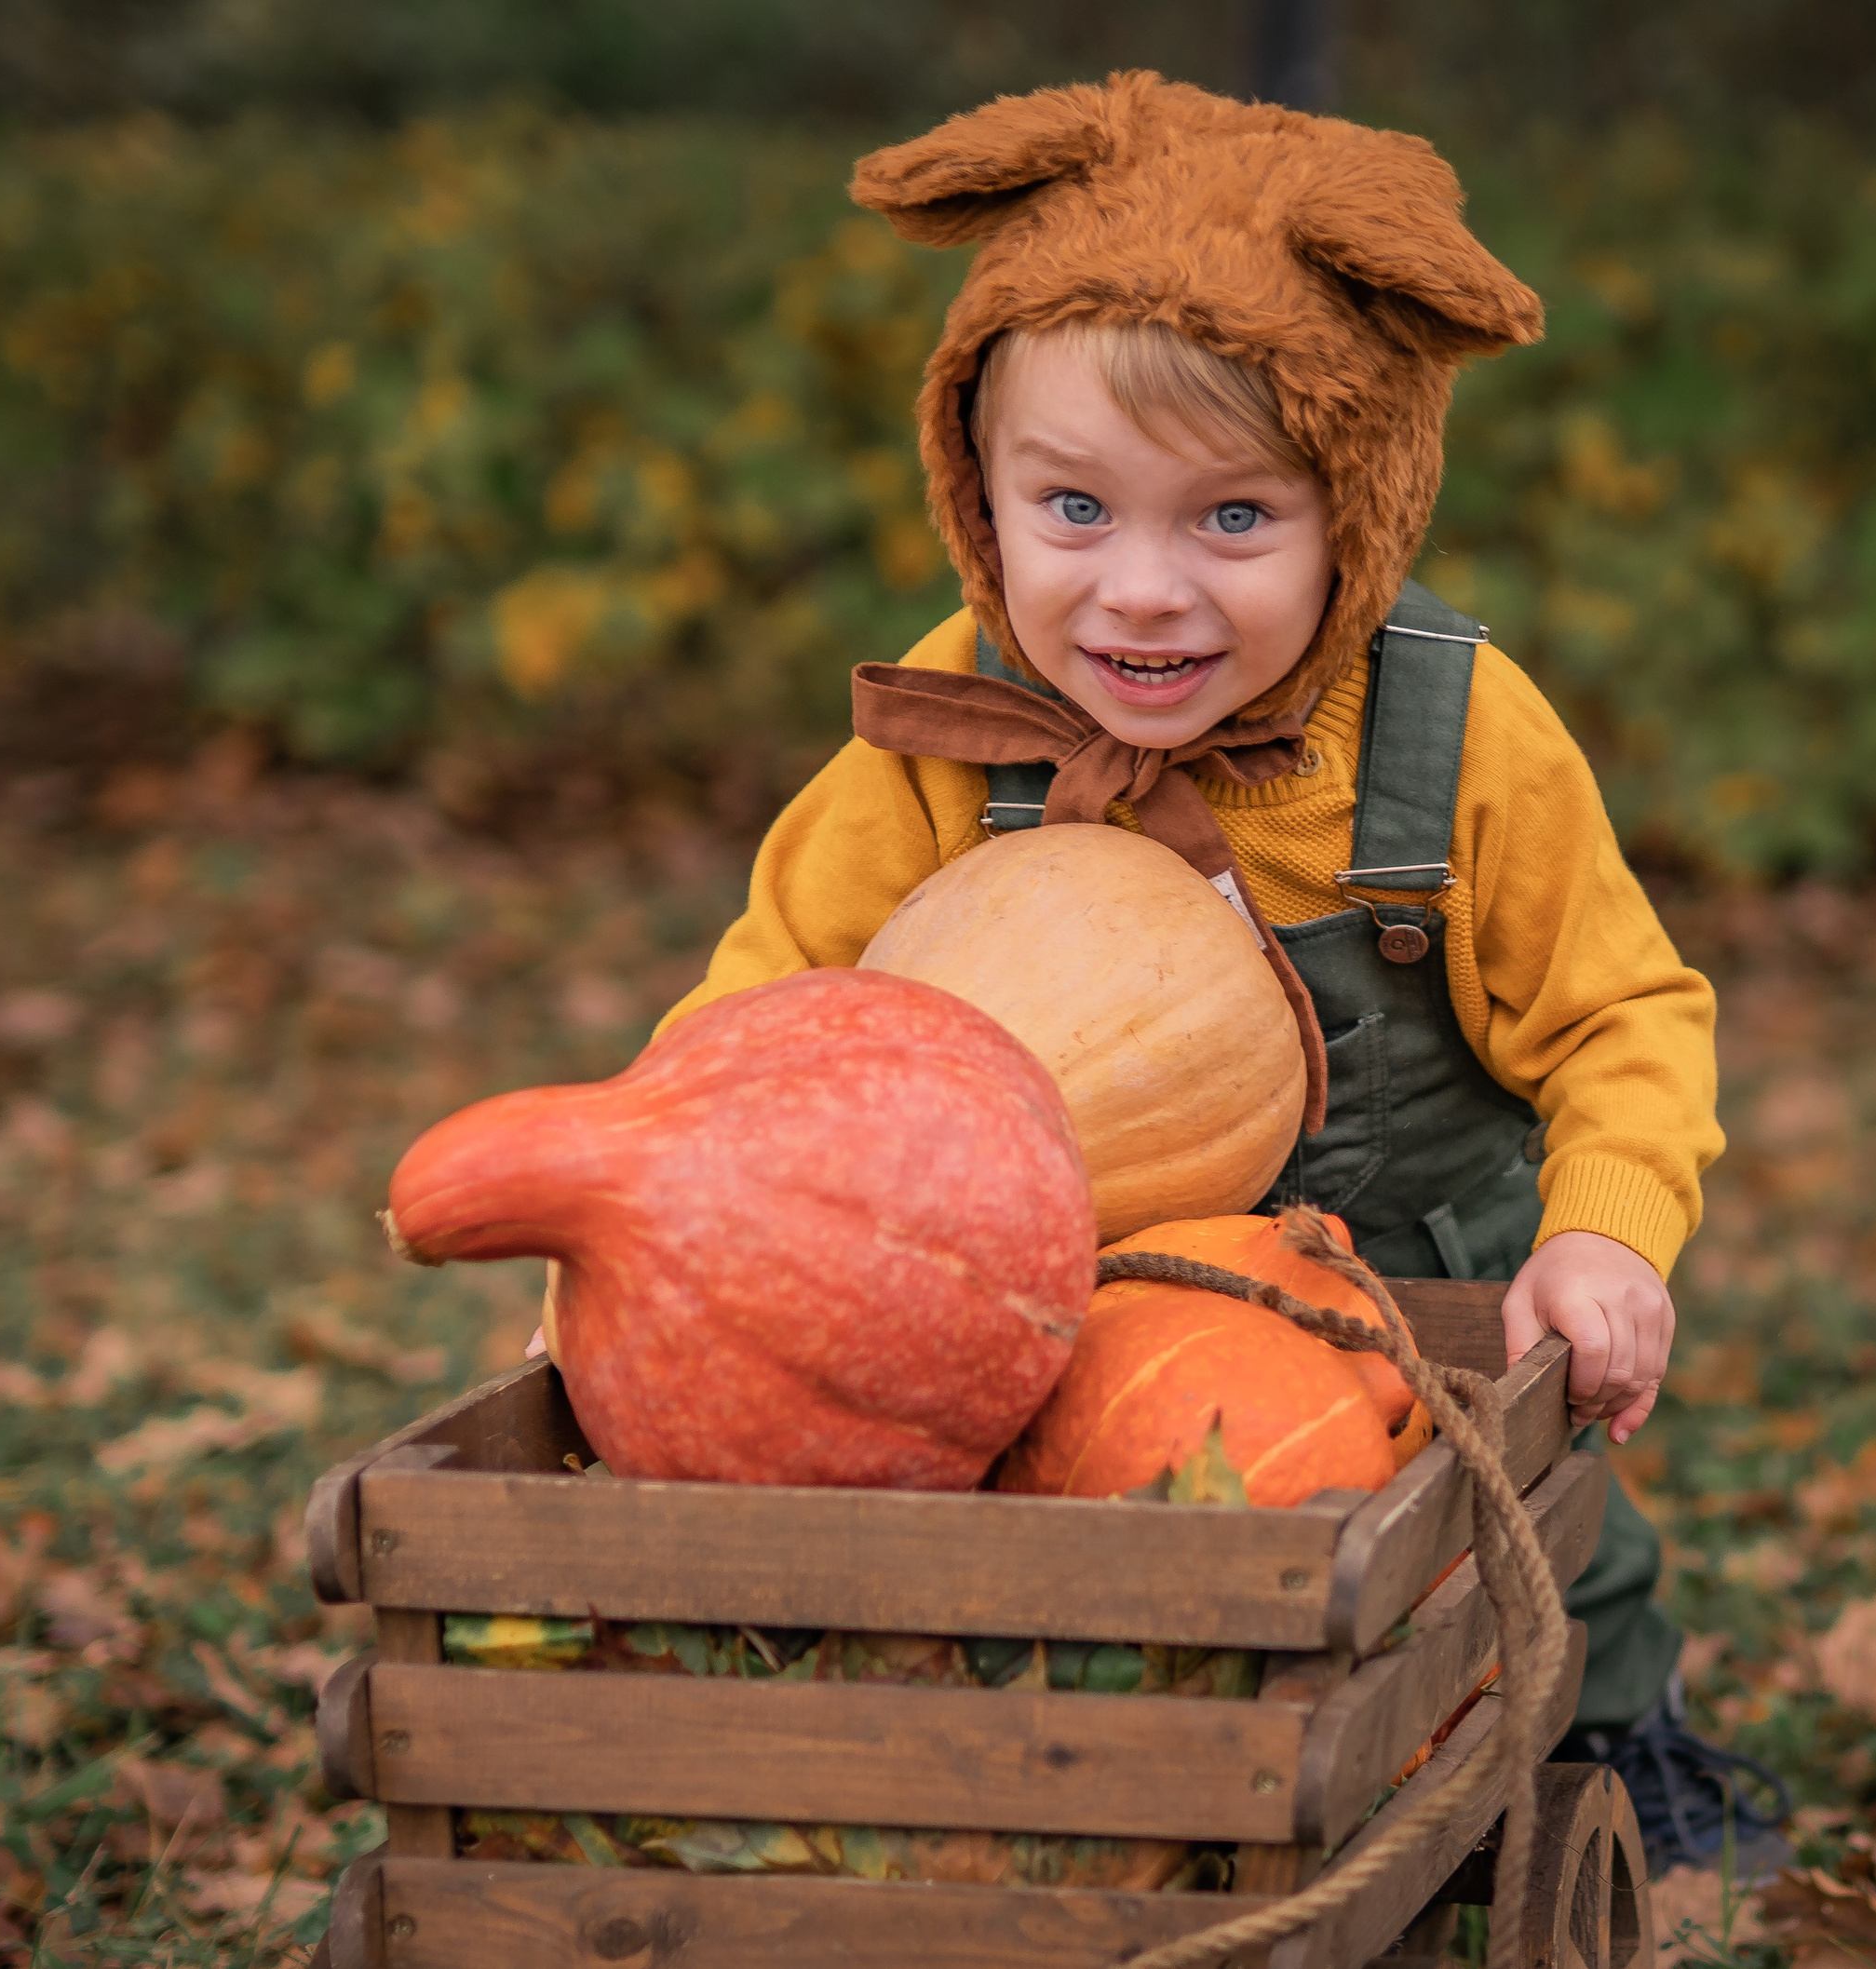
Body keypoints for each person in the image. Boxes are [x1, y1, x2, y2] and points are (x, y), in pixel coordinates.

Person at [647, 73, 1786, 1878]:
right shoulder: (949, 731)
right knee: (1060, 1540)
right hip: (1065, 1289)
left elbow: (1617, 1011)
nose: (1142, 595)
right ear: (978, 490)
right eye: (1073, 510)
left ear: (1354, 503)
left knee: (1550, 1531)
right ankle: (1101, 1782)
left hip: (1409, 1282)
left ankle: (1607, 1733)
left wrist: (1604, 1230)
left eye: (1231, 521)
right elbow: (768, 992)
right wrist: (664, 1199)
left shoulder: (1446, 732)